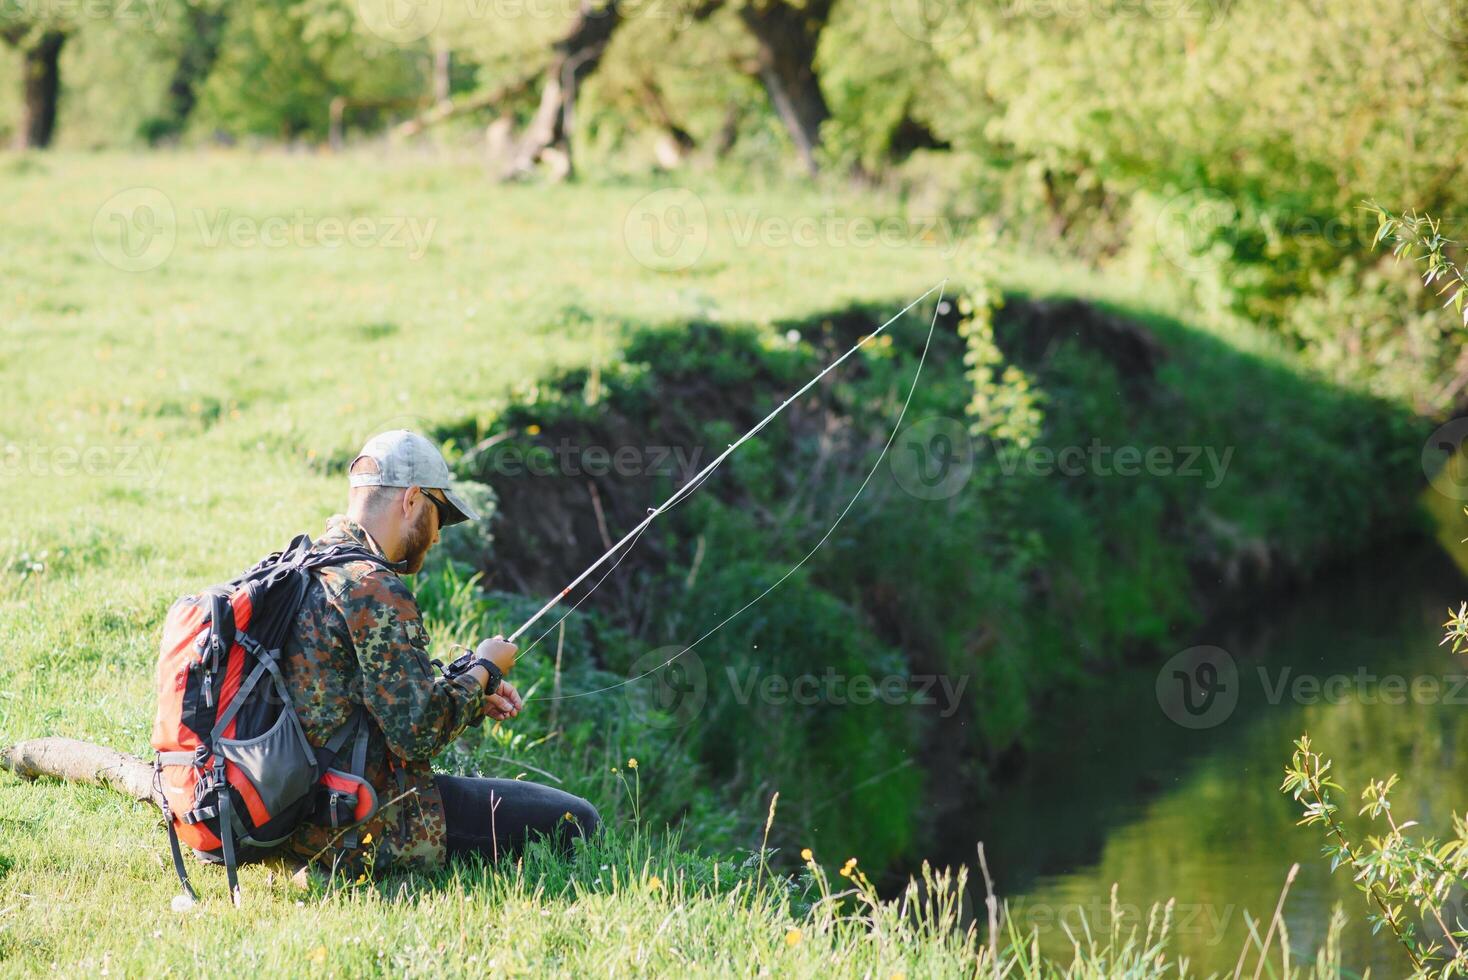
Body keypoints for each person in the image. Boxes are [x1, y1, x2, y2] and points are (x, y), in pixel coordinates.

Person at [281, 429, 599, 878]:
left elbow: (358, 705)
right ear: (411, 500)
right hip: (355, 823)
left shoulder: (306, 563)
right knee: (576, 819)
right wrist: (486, 667)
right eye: (439, 515)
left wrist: (469, 693)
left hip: (294, 809)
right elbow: (417, 733)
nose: (436, 538)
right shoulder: (372, 588)